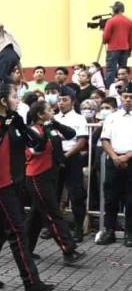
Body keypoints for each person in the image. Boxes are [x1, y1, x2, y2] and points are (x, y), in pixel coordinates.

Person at [0, 84, 54, 291]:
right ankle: (32, 282)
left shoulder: (15, 122)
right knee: (17, 232)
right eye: (14, 96)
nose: (18, 99)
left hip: (14, 183)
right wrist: (3, 127)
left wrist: (23, 126)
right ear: (3, 101)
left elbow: (36, 143)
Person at [24, 101, 86, 264]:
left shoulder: (51, 127)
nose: (53, 111)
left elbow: (71, 134)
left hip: (51, 174)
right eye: (49, 110)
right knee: (52, 212)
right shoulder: (30, 131)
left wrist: (56, 124)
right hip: (37, 177)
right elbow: (36, 150)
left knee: (37, 215)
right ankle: (68, 249)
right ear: (40, 114)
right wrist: (45, 131)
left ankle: (25, 250)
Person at [97, 83, 132, 246]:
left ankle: (129, 233)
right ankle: (109, 231)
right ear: (121, 98)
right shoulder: (112, 117)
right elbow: (105, 139)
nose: (128, 100)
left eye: (131, 97)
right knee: (110, 197)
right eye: (126, 97)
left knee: (130, 199)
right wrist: (115, 157)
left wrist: (126, 157)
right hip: (114, 159)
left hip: (130, 160)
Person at [55, 85, 89, 242]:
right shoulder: (54, 118)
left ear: (72, 101)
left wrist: (66, 156)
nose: (61, 103)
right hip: (55, 159)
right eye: (59, 100)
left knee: (76, 195)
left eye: (65, 100)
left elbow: (82, 142)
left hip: (72, 158)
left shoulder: (79, 118)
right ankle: (53, 228)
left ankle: (78, 230)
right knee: (53, 195)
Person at [103, 1, 132, 88]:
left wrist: (104, 40)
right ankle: (124, 87)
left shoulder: (111, 21)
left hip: (113, 49)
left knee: (111, 70)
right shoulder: (129, 21)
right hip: (125, 48)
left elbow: (106, 36)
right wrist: (130, 49)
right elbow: (131, 38)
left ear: (115, 9)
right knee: (123, 69)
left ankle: (109, 88)